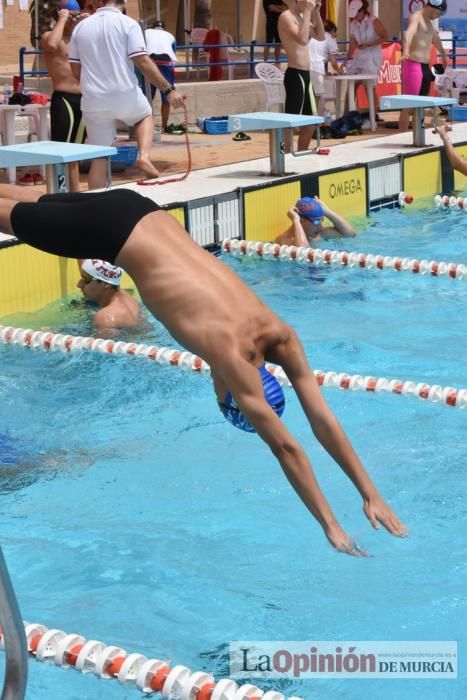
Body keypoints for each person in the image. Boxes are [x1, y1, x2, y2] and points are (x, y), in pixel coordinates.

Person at [0, 184, 407, 556]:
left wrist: (370, 493)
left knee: (21, 197)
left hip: (139, 209)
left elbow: (323, 418)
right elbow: (287, 447)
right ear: (230, 395)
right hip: (111, 234)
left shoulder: (280, 335)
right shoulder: (230, 357)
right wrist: (330, 525)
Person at [68, 0, 185, 189]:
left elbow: (75, 70)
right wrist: (168, 90)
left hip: (94, 97)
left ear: (98, 2)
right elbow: (143, 62)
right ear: (122, 4)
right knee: (144, 116)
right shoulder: (128, 24)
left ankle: (97, 203)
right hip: (124, 92)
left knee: (99, 157)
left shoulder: (81, 27)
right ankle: (143, 157)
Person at [40, 0, 87, 192]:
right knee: (61, 151)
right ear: (60, 15)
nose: (73, 20)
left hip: (84, 99)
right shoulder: (49, 36)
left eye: (75, 16)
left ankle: (75, 194)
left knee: (75, 153)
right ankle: (57, 192)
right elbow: (51, 45)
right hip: (64, 99)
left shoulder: (79, 39)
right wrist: (63, 19)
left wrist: (88, 21)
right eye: (70, 16)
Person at [278, 0, 325, 152]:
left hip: (306, 75)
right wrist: (307, 13)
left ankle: (302, 152)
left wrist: (316, 12)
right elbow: (303, 39)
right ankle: (283, 153)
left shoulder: (302, 18)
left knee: (311, 122)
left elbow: (321, 36)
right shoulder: (286, 17)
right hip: (295, 75)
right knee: (290, 121)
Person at [399, 0, 448, 132]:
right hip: (413, 65)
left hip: (425, 67)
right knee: (408, 106)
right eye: (438, 13)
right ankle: (400, 137)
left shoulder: (430, 24)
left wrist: (443, 55)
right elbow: (408, 33)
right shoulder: (416, 17)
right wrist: (406, 50)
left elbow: (436, 40)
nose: (438, 16)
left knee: (420, 107)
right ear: (431, 7)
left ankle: (418, 136)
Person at [344, 0, 388, 117]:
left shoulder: (374, 21)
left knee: (370, 87)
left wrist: (369, 44)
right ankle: (346, 116)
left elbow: (385, 36)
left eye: (356, 13)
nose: (354, 17)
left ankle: (373, 116)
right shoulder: (353, 24)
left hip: (372, 57)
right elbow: (353, 44)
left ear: (362, 11)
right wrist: (346, 60)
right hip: (359, 57)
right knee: (352, 85)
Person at [77, 258, 144, 330]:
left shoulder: (105, 318)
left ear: (105, 283)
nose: (79, 285)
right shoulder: (130, 299)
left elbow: (100, 341)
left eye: (86, 280)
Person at [275, 195, 356, 247]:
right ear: (301, 221)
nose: (320, 226)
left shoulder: (319, 234)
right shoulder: (284, 241)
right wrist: (296, 220)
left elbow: (350, 234)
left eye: (321, 220)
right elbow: (303, 251)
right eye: (316, 221)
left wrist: (327, 211)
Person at [143, 20, 179, 134]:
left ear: (153, 27)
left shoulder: (145, 32)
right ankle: (164, 127)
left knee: (147, 98)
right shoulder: (170, 36)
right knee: (167, 97)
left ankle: (147, 127)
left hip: (150, 63)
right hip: (166, 64)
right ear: (164, 29)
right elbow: (173, 53)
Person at [309, 19, 344, 116]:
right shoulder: (330, 39)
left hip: (306, 66)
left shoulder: (314, 37)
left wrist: (324, 72)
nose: (335, 36)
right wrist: (340, 70)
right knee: (318, 97)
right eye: (335, 33)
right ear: (332, 31)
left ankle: (307, 122)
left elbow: (316, 54)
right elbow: (333, 62)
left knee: (308, 97)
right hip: (316, 68)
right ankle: (316, 123)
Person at [263, 0, 287, 65]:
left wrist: (278, 8)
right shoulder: (266, 1)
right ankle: (265, 62)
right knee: (268, 43)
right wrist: (280, 8)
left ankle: (277, 62)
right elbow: (272, 8)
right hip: (270, 23)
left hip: (279, 23)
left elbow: (286, 8)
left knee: (278, 44)